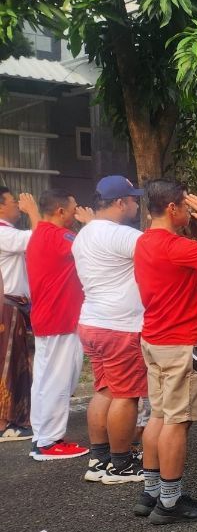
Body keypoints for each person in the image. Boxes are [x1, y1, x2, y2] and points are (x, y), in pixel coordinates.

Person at [132, 179, 197, 523]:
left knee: (158, 416)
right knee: (177, 421)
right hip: (179, 343)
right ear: (172, 209)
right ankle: (170, 502)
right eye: (186, 207)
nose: (189, 212)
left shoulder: (143, 242)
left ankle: (151, 491)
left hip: (154, 339)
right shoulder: (178, 247)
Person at [73, 175, 147, 484]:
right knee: (127, 397)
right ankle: (121, 464)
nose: (136, 204)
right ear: (120, 203)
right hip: (120, 326)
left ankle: (99, 458)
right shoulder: (121, 236)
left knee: (104, 390)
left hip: (91, 321)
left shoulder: (85, 234)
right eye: (133, 199)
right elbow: (157, 250)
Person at [27, 189, 92, 460]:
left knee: (44, 380)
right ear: (60, 211)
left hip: (48, 318)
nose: (78, 213)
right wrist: (92, 224)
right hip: (61, 319)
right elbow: (89, 247)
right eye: (74, 208)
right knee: (58, 380)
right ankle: (50, 441)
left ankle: (43, 436)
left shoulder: (39, 233)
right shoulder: (59, 236)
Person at [0, 188, 40, 441]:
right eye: (15, 202)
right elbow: (39, 238)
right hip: (8, 304)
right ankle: (7, 422)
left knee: (15, 362)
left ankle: (13, 419)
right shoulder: (4, 232)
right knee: (9, 363)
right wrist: (34, 212)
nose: (19, 206)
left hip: (14, 304)